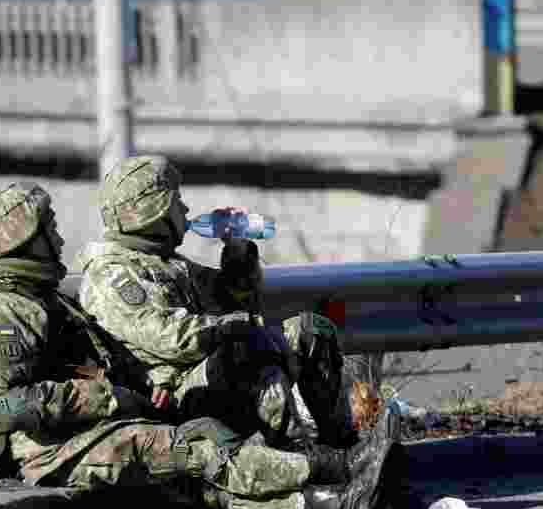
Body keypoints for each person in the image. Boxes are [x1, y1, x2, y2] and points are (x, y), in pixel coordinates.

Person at [0, 181, 401, 509]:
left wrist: (137, 390)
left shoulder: (36, 297)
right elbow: (6, 408)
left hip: (87, 429)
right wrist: (108, 399)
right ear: (24, 239)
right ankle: (339, 469)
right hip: (49, 450)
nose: (59, 238)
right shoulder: (1, 309)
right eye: (49, 230)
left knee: (199, 467)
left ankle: (334, 506)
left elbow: (90, 357)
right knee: (197, 451)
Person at [75, 155, 357, 451]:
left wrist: (237, 252)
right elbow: (171, 338)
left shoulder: (164, 262)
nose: (184, 209)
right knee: (245, 348)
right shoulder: (112, 273)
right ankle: (301, 459)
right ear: (151, 210)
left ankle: (339, 444)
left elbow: (234, 300)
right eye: (175, 201)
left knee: (310, 330)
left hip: (200, 377)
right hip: (166, 400)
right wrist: (238, 328)